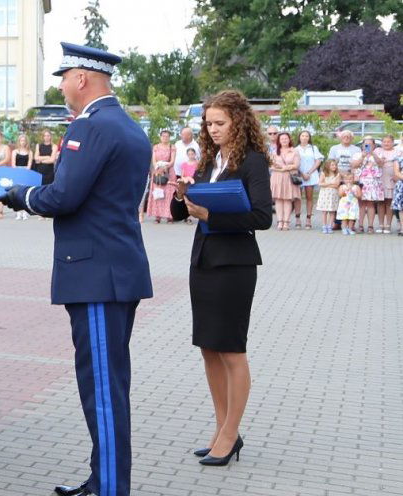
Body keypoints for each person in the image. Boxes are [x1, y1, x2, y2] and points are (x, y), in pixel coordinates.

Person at [0, 42, 153, 496]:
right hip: (113, 269)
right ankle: (101, 478)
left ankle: (109, 488)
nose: (64, 86)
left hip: (96, 275)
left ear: (82, 78)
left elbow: (65, 196)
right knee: (106, 385)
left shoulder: (93, 126)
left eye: (65, 78)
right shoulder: (125, 124)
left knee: (102, 391)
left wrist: (21, 197)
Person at [171, 90, 273, 469]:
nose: (212, 130)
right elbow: (184, 213)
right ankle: (222, 428)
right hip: (204, 261)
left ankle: (230, 435)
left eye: (220, 123)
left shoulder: (253, 161)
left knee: (231, 349)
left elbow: (262, 217)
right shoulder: (210, 159)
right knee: (209, 348)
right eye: (208, 123)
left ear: (238, 122)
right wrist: (182, 197)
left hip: (235, 265)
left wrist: (211, 215)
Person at [353, 137, 384, 233]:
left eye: (370, 144)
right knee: (361, 204)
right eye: (366, 144)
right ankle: (360, 225)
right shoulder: (357, 154)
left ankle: (370, 226)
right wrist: (362, 156)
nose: (368, 146)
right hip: (361, 182)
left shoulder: (378, 153)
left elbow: (381, 164)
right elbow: (354, 165)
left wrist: (373, 154)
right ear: (362, 145)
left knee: (371, 204)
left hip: (373, 182)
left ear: (374, 145)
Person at [269, 132, 300, 230]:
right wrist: (279, 169)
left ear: (289, 139)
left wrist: (285, 168)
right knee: (278, 199)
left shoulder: (294, 151)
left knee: (287, 199)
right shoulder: (274, 152)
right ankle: (279, 221)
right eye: (282, 139)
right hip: (277, 177)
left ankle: (286, 222)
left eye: (286, 138)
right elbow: (270, 165)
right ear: (279, 141)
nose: (284, 140)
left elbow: (296, 165)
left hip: (288, 177)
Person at [145, 129, 176, 223]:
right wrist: (157, 167)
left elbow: (172, 161)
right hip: (158, 171)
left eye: (167, 136)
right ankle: (157, 216)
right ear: (160, 137)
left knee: (169, 195)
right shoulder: (156, 147)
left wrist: (165, 167)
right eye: (163, 136)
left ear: (169, 137)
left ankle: (170, 216)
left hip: (168, 172)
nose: (165, 138)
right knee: (158, 193)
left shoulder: (172, 147)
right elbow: (153, 160)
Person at [294, 130, 322, 230]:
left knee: (309, 197)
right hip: (299, 176)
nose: (305, 138)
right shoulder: (295, 149)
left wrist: (309, 173)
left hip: (310, 176)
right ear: (299, 137)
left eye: (307, 136)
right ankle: (297, 218)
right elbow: (294, 163)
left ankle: (308, 219)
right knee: (298, 197)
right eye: (303, 136)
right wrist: (302, 174)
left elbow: (318, 161)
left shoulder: (313, 148)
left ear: (309, 138)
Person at [375, 135, 399, 234]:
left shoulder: (397, 152)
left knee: (389, 202)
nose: (386, 143)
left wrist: (398, 176)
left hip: (392, 179)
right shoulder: (378, 151)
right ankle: (380, 225)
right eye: (384, 141)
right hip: (379, 179)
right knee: (380, 202)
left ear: (393, 142)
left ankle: (388, 225)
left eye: (388, 141)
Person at [316, 160, 340, 234]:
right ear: (327, 166)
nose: (334, 166)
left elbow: (336, 185)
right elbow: (320, 183)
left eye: (335, 165)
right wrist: (330, 183)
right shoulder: (323, 174)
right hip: (324, 195)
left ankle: (330, 225)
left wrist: (326, 184)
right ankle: (324, 225)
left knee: (332, 211)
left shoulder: (337, 174)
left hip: (333, 195)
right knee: (324, 211)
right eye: (332, 165)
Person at [11, 133, 32, 220]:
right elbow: (13, 164)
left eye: (24, 140)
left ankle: (25, 212)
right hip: (17, 172)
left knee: (25, 193)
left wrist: (26, 171)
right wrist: (17, 172)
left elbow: (29, 163)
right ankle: (18, 212)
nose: (22, 142)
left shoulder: (29, 152)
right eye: (21, 140)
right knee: (17, 194)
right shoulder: (15, 151)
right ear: (19, 142)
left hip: (26, 172)